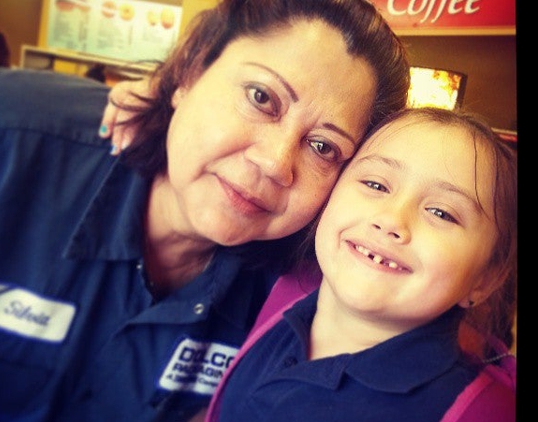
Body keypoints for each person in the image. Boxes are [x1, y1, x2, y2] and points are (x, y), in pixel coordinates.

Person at [0, 0, 410, 421]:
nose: (276, 163)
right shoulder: (6, 137)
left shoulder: (300, 305)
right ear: (190, 70)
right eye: (262, 98)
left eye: (323, 147)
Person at [204, 107, 517, 422]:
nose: (391, 219)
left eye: (441, 213)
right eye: (376, 185)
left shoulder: (483, 412)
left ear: (486, 278)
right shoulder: (284, 291)